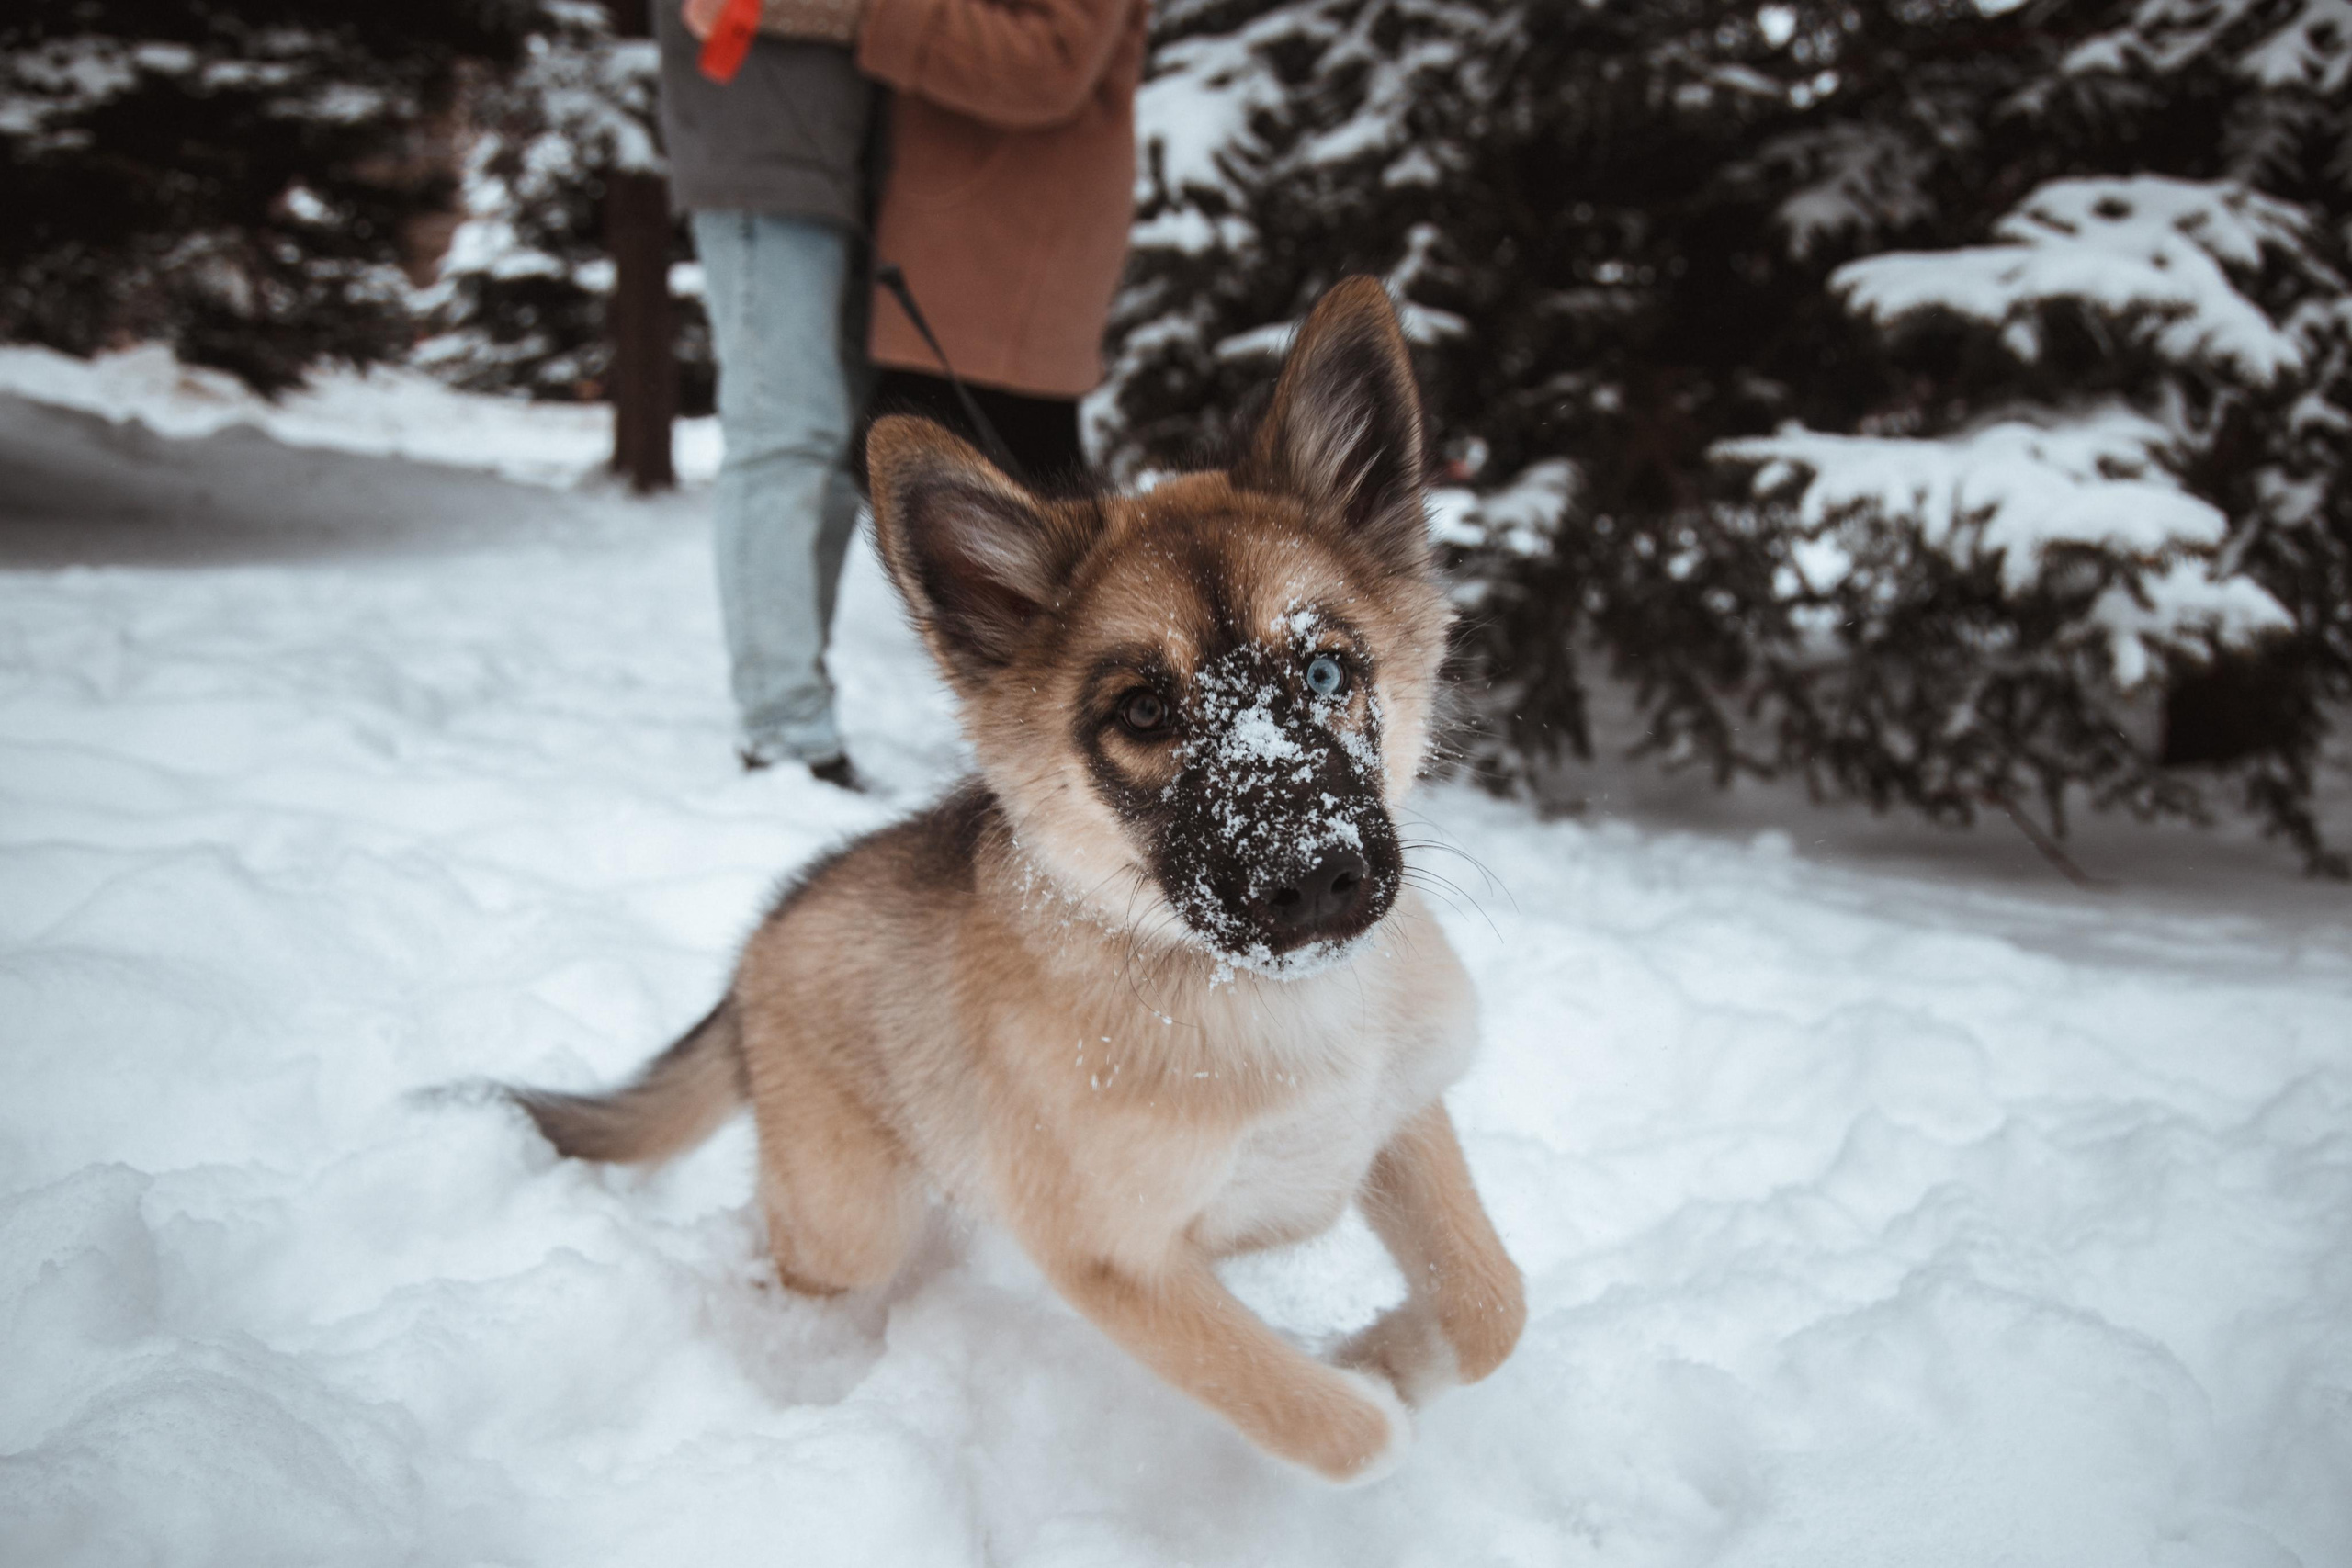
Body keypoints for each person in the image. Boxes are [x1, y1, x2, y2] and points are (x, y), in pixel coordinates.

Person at [742, 0, 1150, 489]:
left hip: (1011, 242)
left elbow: (1054, 61)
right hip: (960, 234)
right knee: (953, 471)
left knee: (1005, 473)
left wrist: (863, 12)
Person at [659, 0, 873, 784]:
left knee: (838, 449)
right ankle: (783, 726)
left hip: (846, 171)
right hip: (765, 157)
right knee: (783, 435)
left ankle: (796, 702)